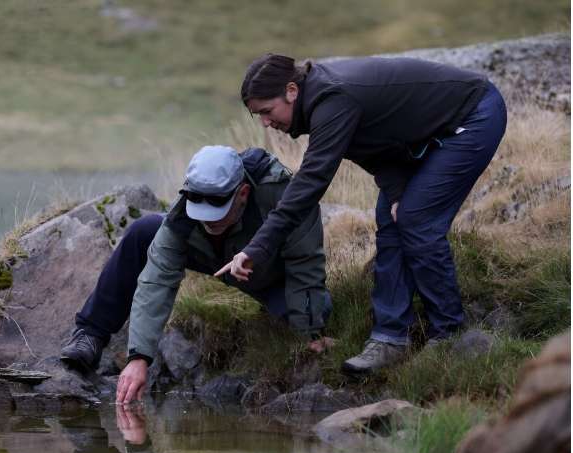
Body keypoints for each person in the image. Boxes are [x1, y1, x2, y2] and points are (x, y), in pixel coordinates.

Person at [217, 53, 508, 375]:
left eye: (267, 112)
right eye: (259, 116)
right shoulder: (322, 103)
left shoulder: (332, 99)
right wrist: (396, 192)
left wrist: (256, 248)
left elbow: (311, 182)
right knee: (392, 219)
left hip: (474, 115)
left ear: (291, 90)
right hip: (429, 135)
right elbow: (375, 146)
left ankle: (450, 334)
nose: (266, 123)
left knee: (417, 220)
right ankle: (389, 339)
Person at [61, 145, 332, 403]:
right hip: (213, 258)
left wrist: (308, 332)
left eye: (217, 206)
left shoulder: (283, 196)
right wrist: (138, 357)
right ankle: (91, 335)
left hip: (268, 274)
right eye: (197, 203)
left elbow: (305, 261)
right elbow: (157, 279)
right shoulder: (185, 210)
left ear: (243, 194)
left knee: (317, 314)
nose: (207, 218)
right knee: (143, 231)